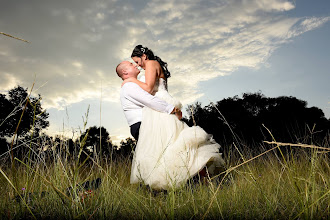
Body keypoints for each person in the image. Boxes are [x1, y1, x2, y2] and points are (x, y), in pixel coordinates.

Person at [118, 45, 224, 190]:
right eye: (133, 64)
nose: (137, 65)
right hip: (158, 109)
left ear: (143, 56)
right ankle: (191, 182)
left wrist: (131, 80)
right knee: (172, 146)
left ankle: (187, 182)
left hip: (160, 108)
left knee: (172, 145)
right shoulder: (150, 67)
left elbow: (149, 89)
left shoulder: (150, 64)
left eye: (136, 61)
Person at [116, 61, 182, 140]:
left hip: (144, 124)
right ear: (124, 71)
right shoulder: (129, 86)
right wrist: (172, 109)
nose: (135, 65)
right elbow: (149, 100)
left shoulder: (133, 84)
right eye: (131, 64)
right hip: (141, 125)